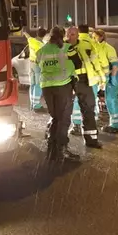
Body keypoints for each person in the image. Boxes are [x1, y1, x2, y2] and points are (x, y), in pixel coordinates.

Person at [33, 27, 80, 162]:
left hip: (47, 87)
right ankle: (61, 149)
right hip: (63, 85)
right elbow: (78, 63)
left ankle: (52, 147)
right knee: (64, 118)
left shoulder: (41, 50)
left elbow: (38, 63)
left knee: (55, 117)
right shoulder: (66, 48)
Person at [65, 26, 102, 149]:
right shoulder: (62, 47)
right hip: (67, 81)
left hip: (84, 79)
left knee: (88, 109)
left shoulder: (86, 45)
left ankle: (91, 140)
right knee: (62, 110)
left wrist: (101, 77)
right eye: (69, 34)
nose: (70, 36)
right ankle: (57, 140)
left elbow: (94, 62)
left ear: (78, 35)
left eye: (73, 34)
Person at [94, 29, 118, 133]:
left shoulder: (108, 48)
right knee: (112, 100)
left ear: (101, 37)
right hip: (111, 78)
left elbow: (115, 65)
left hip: (113, 78)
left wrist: (111, 79)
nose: (93, 39)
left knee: (111, 100)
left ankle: (115, 125)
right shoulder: (100, 48)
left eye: (95, 37)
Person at [24, 27, 48, 111]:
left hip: (30, 64)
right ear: (44, 35)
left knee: (32, 84)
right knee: (38, 85)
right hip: (38, 65)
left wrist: (24, 32)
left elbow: (27, 36)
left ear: (37, 34)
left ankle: (32, 104)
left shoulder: (31, 40)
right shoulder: (42, 46)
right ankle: (36, 105)